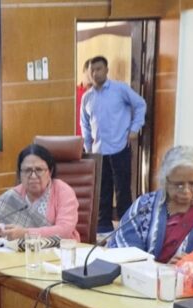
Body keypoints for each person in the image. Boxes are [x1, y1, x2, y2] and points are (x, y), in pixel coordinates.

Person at [108, 146, 193, 263]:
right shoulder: (145, 205)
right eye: (178, 184)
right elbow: (123, 250)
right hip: (148, 280)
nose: (186, 191)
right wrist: (159, 269)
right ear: (165, 181)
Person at [80, 55, 147, 234]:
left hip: (119, 147)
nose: (95, 73)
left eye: (99, 69)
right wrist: (88, 148)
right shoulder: (87, 97)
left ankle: (126, 227)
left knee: (123, 189)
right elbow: (85, 124)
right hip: (99, 151)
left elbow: (140, 105)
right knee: (102, 190)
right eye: (92, 70)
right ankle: (103, 226)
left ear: (106, 70)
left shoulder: (120, 89)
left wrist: (135, 128)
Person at [0, 144, 80, 242]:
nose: (33, 176)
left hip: (60, 251)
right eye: (27, 170)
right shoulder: (13, 195)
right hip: (20, 252)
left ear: (50, 172)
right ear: (20, 173)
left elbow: (64, 231)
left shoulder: (63, 191)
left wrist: (25, 233)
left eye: (39, 170)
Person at [75, 58, 92, 136]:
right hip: (75, 138)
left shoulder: (101, 93)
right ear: (84, 71)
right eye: (89, 72)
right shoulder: (73, 93)